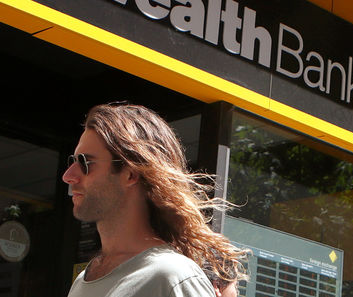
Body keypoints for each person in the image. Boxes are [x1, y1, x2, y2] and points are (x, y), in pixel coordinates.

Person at [62, 102, 246, 296]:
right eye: (72, 161)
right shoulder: (83, 280)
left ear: (130, 174)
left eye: (85, 162)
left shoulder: (173, 276)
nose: (68, 175)